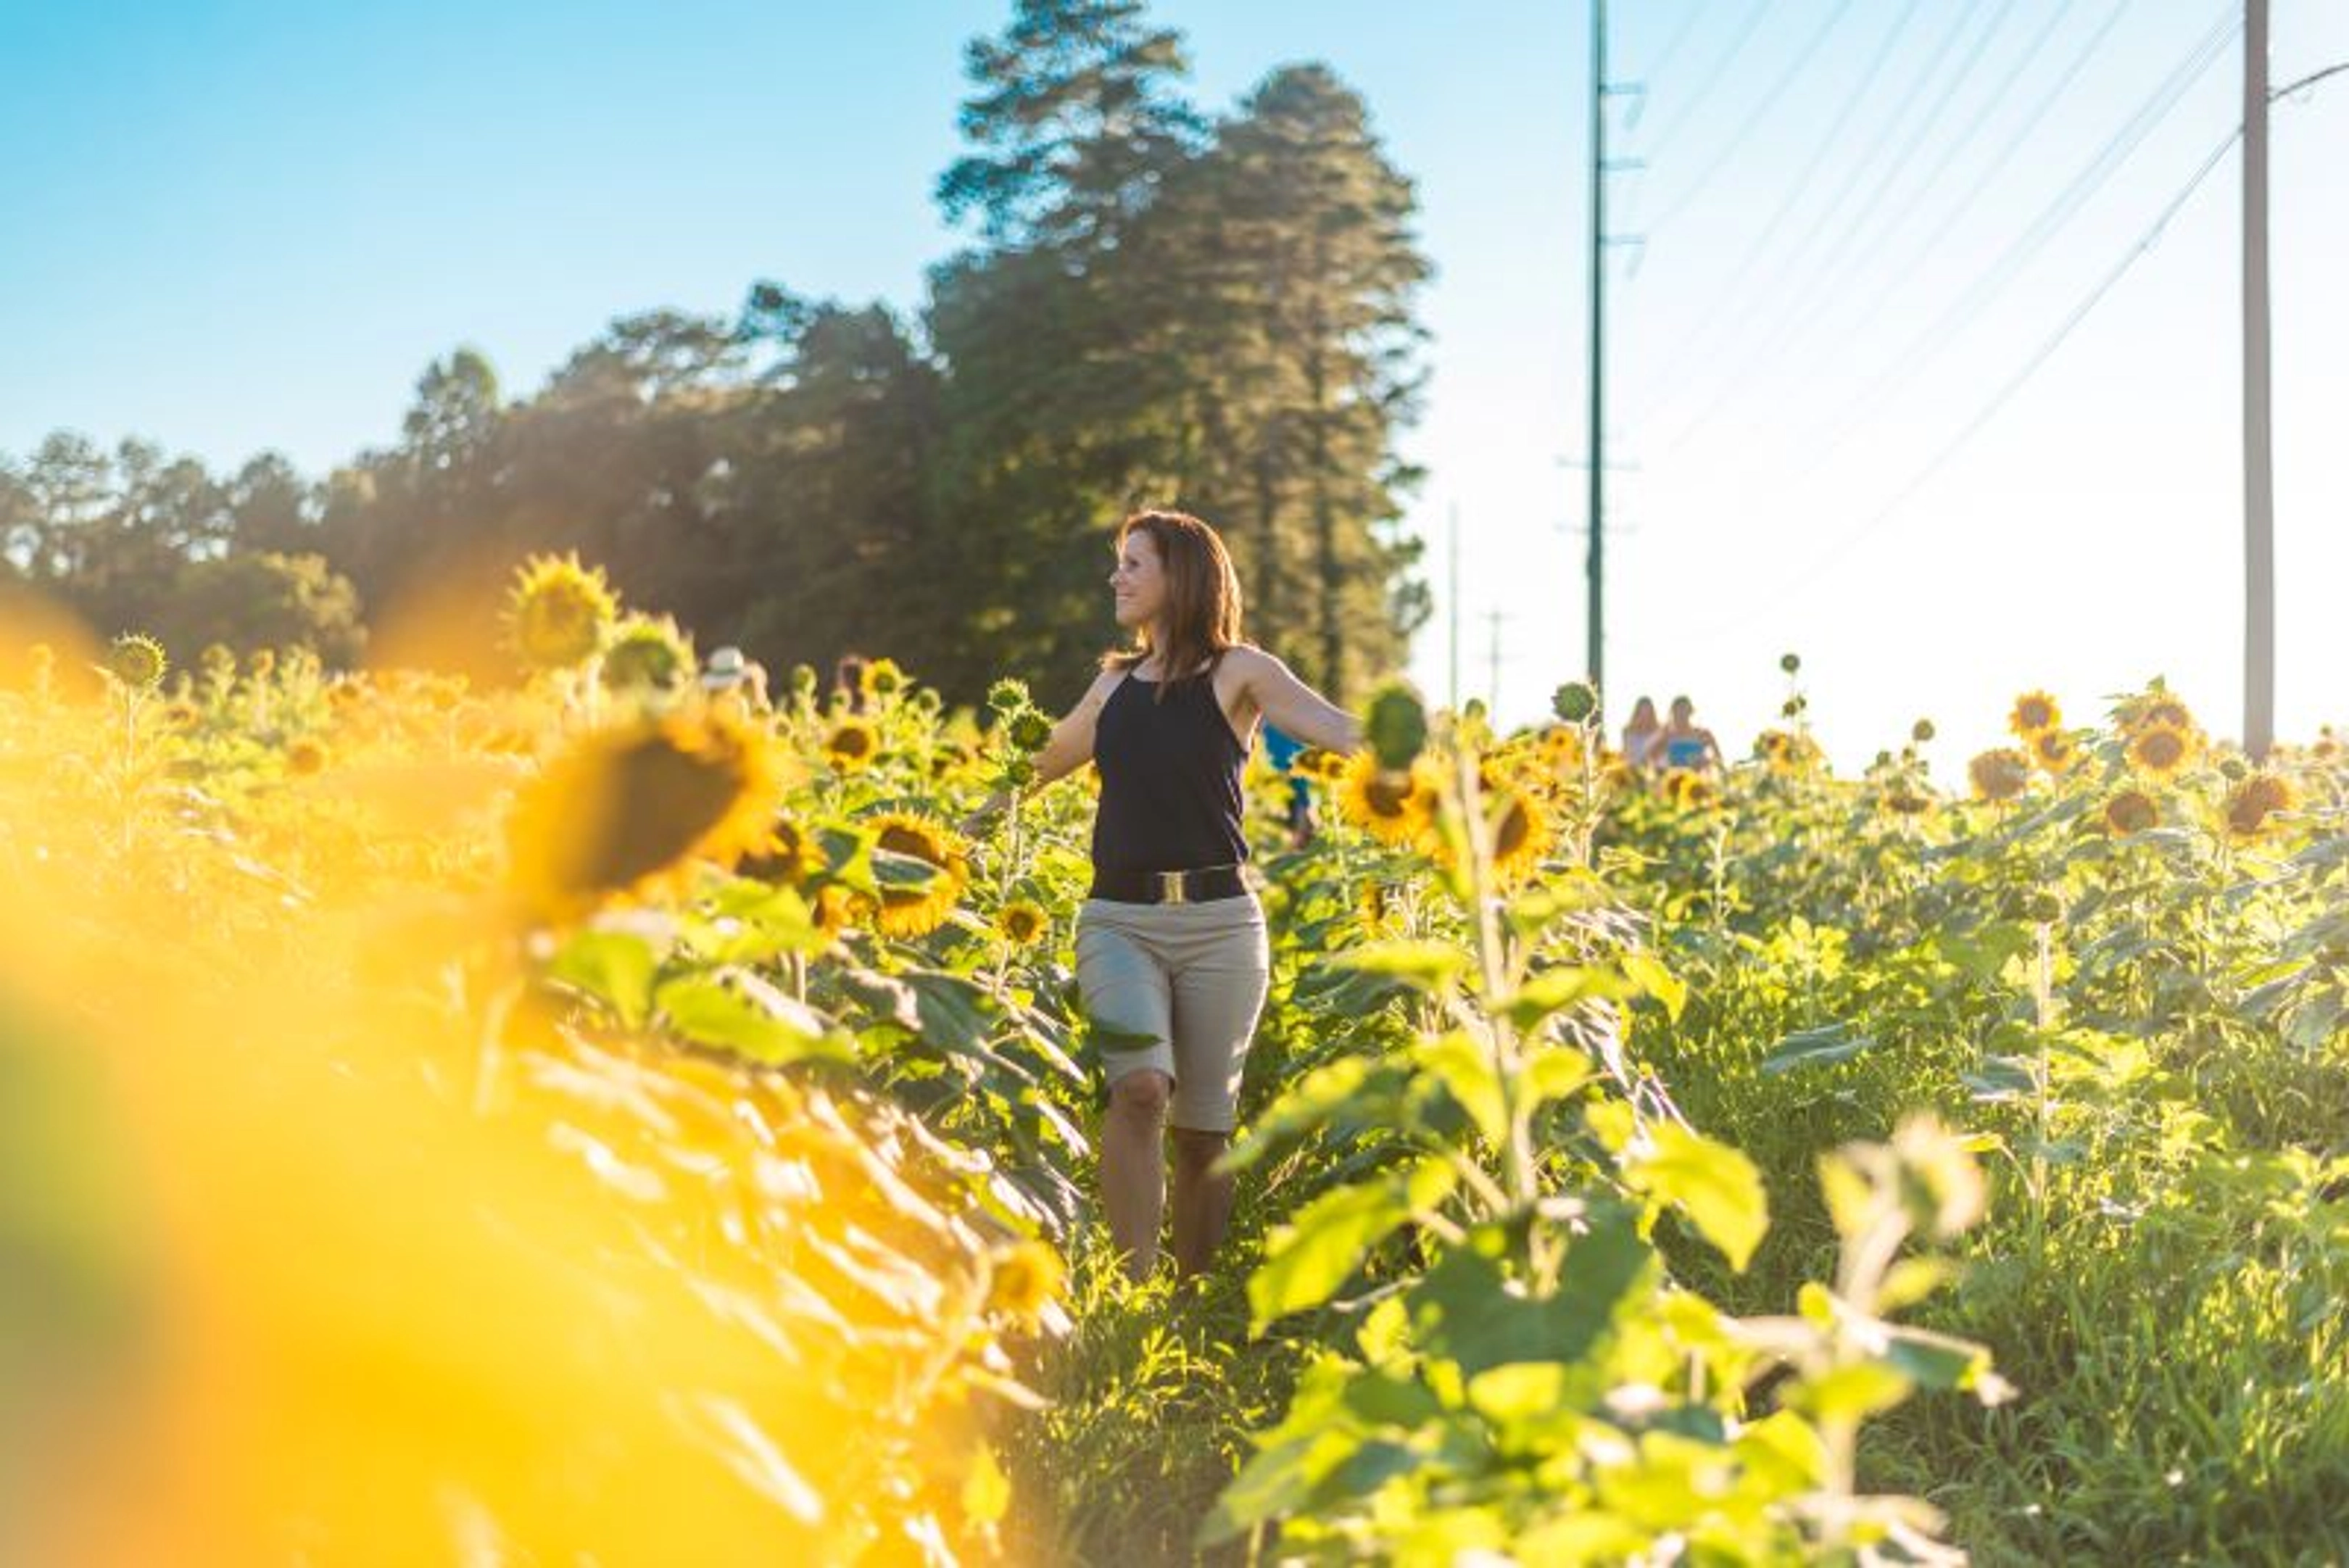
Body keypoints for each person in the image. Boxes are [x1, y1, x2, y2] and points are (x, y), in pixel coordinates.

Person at [1003, 510, 1359, 1283]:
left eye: (1135, 563)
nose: (1117, 577)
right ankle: (1132, 1292)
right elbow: (1032, 769)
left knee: (1204, 1130)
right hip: (1117, 920)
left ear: (1184, 576)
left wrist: (1439, 759)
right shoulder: (1112, 685)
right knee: (1138, 1089)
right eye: (1119, 563)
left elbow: (1335, 728)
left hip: (1222, 927)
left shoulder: (1240, 674)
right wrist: (943, 831)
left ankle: (1190, 1299)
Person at [1659, 695, 1723, 773]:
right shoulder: (1668, 735)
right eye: (1678, 711)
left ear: (1690, 712)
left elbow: (1719, 759)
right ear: (1673, 713)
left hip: (1698, 780)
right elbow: (1650, 758)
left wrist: (1706, 762)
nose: (1681, 714)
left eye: (1684, 710)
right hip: (1675, 779)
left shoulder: (1703, 734)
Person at [1620, 696, 1663, 771]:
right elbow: (1625, 753)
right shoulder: (1627, 731)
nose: (1645, 715)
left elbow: (1658, 755)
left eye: (1648, 711)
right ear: (1637, 712)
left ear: (1652, 713)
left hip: (1652, 771)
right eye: (1642, 711)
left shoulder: (1659, 731)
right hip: (1631, 770)